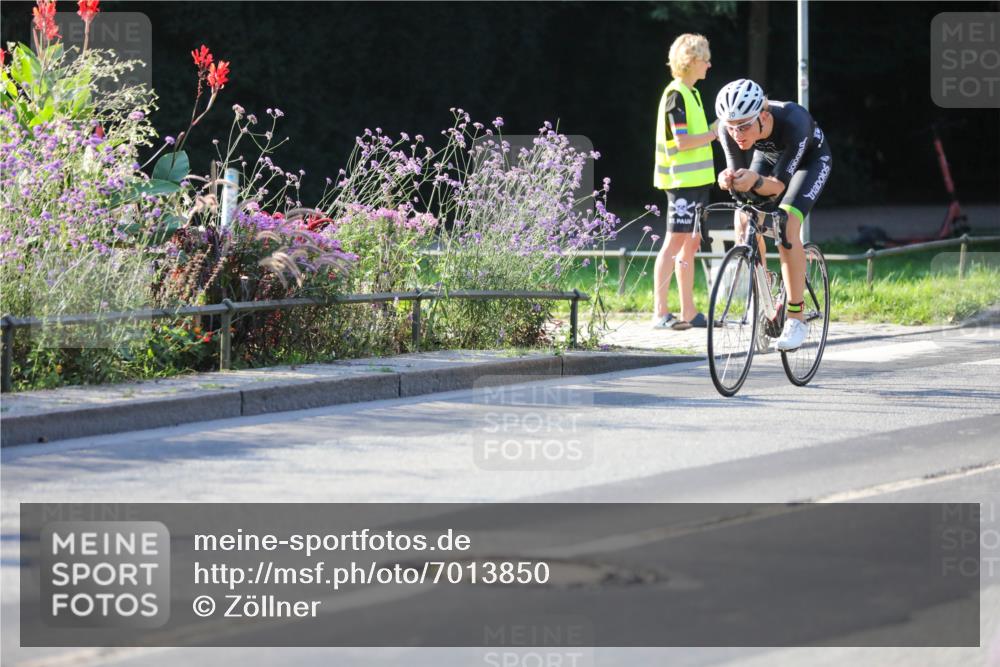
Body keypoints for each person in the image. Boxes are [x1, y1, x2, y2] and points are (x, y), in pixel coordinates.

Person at [714, 78, 832, 351]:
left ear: (763, 116)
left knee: (787, 226)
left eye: (744, 126)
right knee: (744, 218)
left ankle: (796, 315)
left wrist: (754, 181)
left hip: (810, 162)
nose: (737, 133)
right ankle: (764, 289)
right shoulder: (728, 129)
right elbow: (737, 170)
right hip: (768, 157)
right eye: (731, 127)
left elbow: (778, 186)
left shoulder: (794, 121)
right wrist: (729, 178)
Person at [652, 33, 719, 330]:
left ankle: (688, 312)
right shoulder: (676, 94)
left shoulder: (692, 93)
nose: (709, 64)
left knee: (690, 244)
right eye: (705, 59)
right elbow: (681, 142)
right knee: (674, 243)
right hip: (681, 183)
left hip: (697, 182)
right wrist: (715, 133)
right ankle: (660, 313)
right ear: (691, 62)